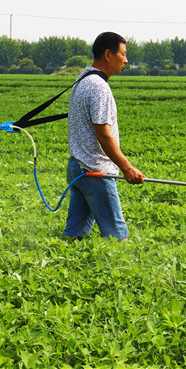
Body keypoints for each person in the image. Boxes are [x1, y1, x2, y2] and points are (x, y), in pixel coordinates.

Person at [62, 32, 145, 242]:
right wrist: (127, 168)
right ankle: (123, 273)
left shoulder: (83, 78)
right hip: (95, 171)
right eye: (123, 54)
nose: (126, 60)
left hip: (79, 169)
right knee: (118, 236)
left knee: (74, 235)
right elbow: (104, 135)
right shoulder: (99, 86)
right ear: (108, 54)